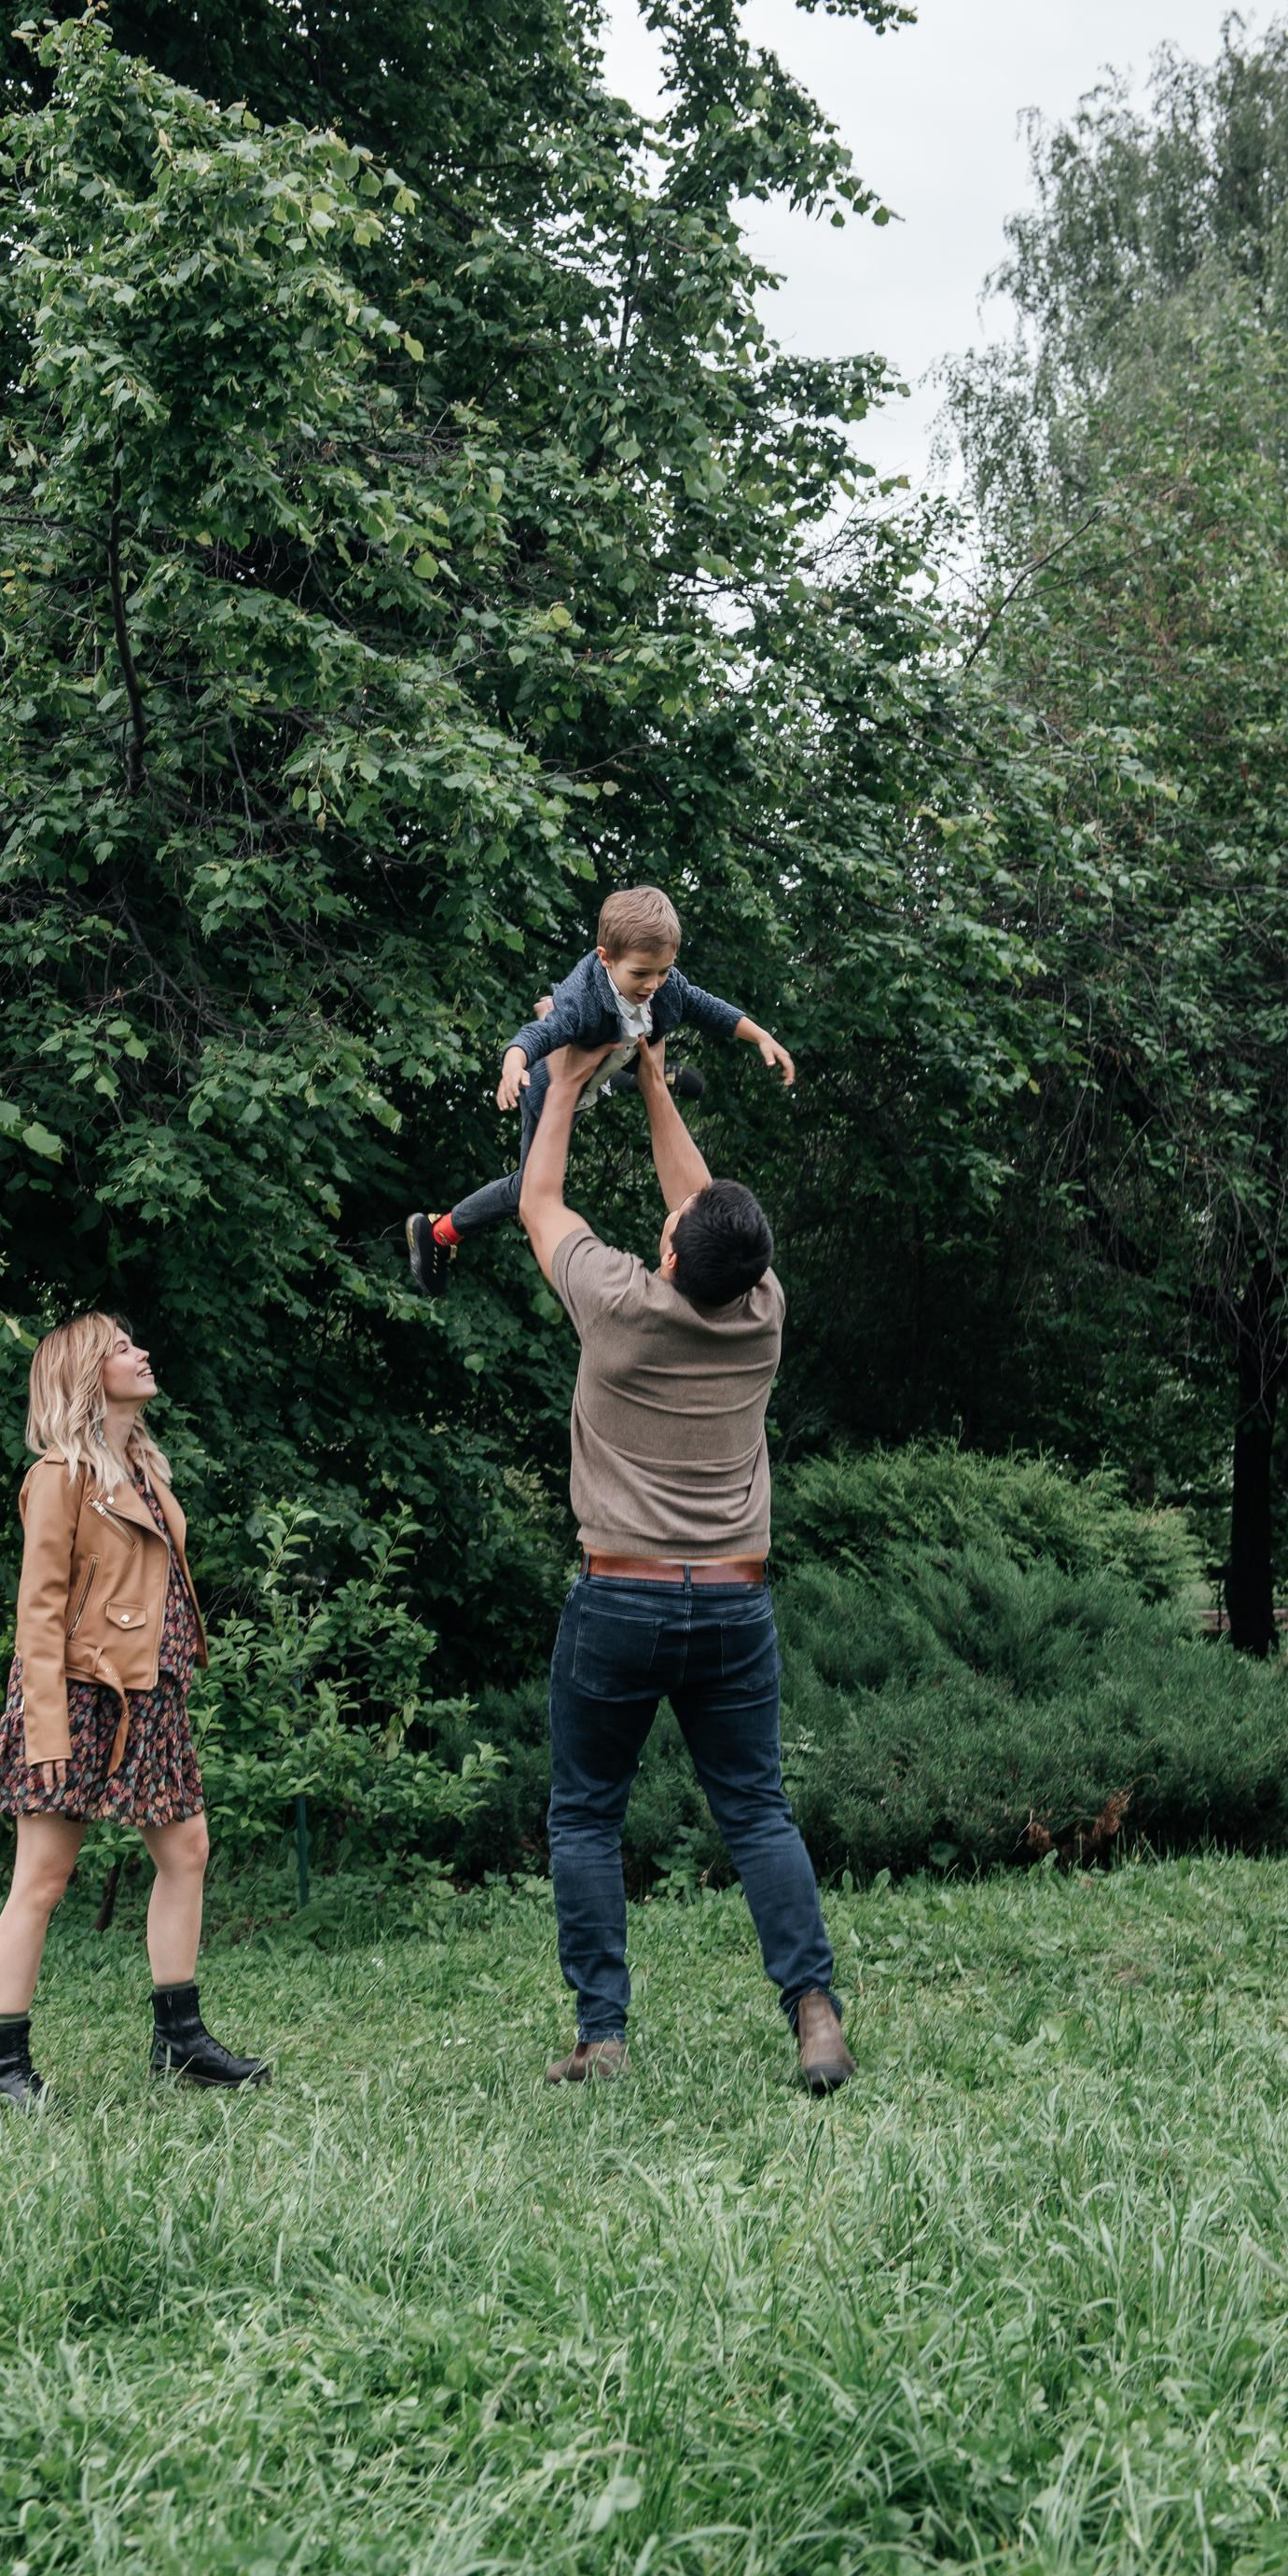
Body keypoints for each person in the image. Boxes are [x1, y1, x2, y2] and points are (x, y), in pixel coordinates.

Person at [515, 1033, 853, 2093]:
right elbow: (705, 1212)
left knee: (583, 1814)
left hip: (619, 1595)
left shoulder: (615, 1305)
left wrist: (566, 1084)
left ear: (666, 1257)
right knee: (755, 1809)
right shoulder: (760, 1314)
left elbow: (539, 1200)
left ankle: (603, 2035)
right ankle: (812, 2012)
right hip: (734, 1600)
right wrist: (655, 1078)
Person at [0, 1312, 270, 2107]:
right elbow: (37, 1614)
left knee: (187, 1853)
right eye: (123, 1348)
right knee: (42, 1878)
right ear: (86, 1372)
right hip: (79, 1695)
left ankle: (179, 2042)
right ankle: (8, 2071)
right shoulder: (58, 1476)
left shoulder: (140, 1470)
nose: (143, 1353)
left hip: (153, 1694)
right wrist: (46, 1732)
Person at [405, 885, 796, 1296]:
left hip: (608, 1059)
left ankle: (646, 1075)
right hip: (553, 1082)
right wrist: (514, 1061)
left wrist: (761, 1037)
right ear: (605, 958)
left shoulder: (663, 983)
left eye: (663, 971)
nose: (654, 984)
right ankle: (438, 1231)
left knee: (614, 1060)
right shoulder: (584, 1002)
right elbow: (541, 1034)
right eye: (641, 974)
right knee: (527, 1188)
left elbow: (705, 1005)